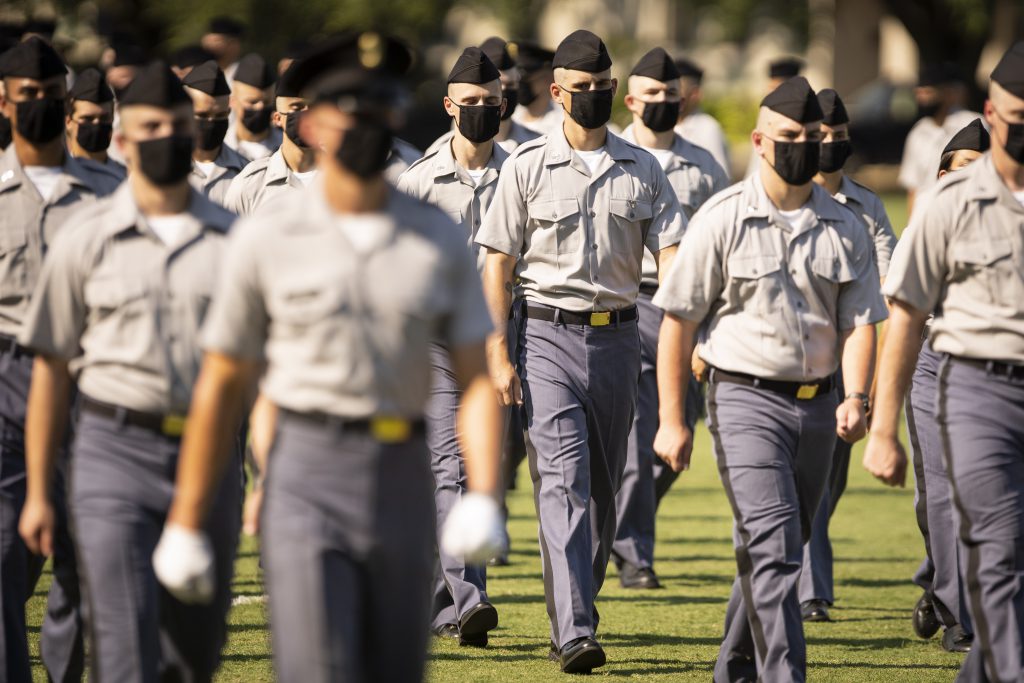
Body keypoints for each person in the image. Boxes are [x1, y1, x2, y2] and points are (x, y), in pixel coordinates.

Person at [151, 32, 504, 682]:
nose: (368, 124)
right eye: (350, 110)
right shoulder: (268, 236)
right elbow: (225, 381)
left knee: (395, 665)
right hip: (307, 469)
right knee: (317, 665)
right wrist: (188, 515)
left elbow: (476, 377)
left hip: (402, 469)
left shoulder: (435, 236)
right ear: (312, 123)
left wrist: (482, 490)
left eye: (380, 108)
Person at [654, 76, 886, 682]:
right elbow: (677, 322)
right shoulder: (721, 218)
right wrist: (673, 420)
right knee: (778, 546)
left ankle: (732, 667)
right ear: (759, 141)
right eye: (789, 136)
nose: (803, 146)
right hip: (743, 400)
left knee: (775, 549)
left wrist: (858, 398)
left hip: (819, 408)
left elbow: (862, 323)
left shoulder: (846, 224)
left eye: (812, 136)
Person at [18, 60, 241, 682]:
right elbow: (53, 369)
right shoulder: (86, 238)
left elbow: (260, 372)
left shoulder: (234, 243)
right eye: (148, 126)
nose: (164, 137)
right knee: (123, 646)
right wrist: (39, 490)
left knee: (194, 652)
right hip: (112, 453)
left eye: (176, 125)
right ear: (125, 135)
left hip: (209, 456)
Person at [475, 29, 685, 673]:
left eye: (603, 89)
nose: (593, 98)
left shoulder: (643, 167)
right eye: (582, 90)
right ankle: (574, 629)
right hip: (545, 336)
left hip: (621, 337)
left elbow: (673, 255)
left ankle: (578, 603)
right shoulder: (526, 167)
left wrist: (687, 319)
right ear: (558, 93)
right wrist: (498, 352)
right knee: (562, 482)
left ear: (614, 92)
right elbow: (497, 264)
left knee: (601, 490)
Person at [864, 41, 1024, 681]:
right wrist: (880, 428)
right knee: (980, 529)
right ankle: (955, 604)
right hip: (969, 380)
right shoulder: (947, 206)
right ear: (995, 110)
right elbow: (903, 316)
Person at [0, 36, 118, 683]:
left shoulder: (109, 192)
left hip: (87, 385)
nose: (39, 107)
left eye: (51, 97)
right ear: (4, 100)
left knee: (82, 558)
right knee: (2, 562)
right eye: (28, 97)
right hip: (4, 382)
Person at [397, 45, 509, 648]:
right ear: (448, 106)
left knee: (495, 472)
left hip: (510, 337)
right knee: (451, 464)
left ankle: (442, 601)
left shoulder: (523, 173)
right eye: (470, 104)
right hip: (441, 345)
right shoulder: (416, 181)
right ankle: (470, 600)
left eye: (492, 103)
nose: (482, 112)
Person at [612, 47, 729, 590]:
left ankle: (621, 521)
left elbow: (724, 244)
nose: (663, 101)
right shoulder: (611, 155)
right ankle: (636, 555)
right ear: (631, 100)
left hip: (689, 310)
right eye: (652, 94)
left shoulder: (705, 165)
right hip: (630, 302)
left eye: (671, 93)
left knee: (682, 424)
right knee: (640, 433)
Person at [797, 88, 898, 623]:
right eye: (822, 136)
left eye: (839, 137)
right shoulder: (777, 200)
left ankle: (802, 568)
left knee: (827, 479)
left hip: (849, 357)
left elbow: (885, 287)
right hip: (792, 356)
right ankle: (809, 588)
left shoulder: (868, 207)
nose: (831, 145)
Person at [896, 119, 988, 655]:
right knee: (937, 495)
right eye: (960, 174)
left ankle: (953, 602)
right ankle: (949, 593)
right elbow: (902, 317)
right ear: (940, 177)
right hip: (933, 364)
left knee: (983, 492)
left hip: (991, 367)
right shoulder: (923, 229)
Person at [223, 59, 315, 216]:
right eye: (297, 108)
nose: (307, 115)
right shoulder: (250, 185)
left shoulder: (342, 176)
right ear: (277, 118)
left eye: (313, 107)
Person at [898, 63, 981, 216]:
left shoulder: (973, 125)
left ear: (947, 94)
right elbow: (913, 188)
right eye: (919, 94)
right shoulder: (918, 132)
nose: (923, 99)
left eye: (928, 93)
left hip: (963, 213)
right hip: (927, 216)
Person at [181, 60, 248, 206]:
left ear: (229, 113)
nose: (211, 123)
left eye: (220, 116)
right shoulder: (163, 168)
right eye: (202, 115)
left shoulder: (247, 173)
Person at [64, 67, 125, 182]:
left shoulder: (125, 179)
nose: (97, 124)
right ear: (68, 122)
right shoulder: (61, 176)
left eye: (104, 118)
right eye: (87, 118)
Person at [674, 57, 731, 174]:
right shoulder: (663, 126)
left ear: (695, 94)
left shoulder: (708, 129)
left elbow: (720, 179)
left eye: (675, 91)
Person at [225, 53, 282, 161]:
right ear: (232, 101)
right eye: (252, 102)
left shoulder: (286, 147)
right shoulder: (222, 148)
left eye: (266, 102)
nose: (260, 107)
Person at [510, 40, 561, 135]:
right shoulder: (511, 118)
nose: (520, 85)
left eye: (525, 78)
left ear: (547, 78)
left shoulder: (562, 122)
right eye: (516, 80)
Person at [201, 16, 245, 83]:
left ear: (233, 45)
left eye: (216, 41)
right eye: (207, 42)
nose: (209, 46)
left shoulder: (245, 74)